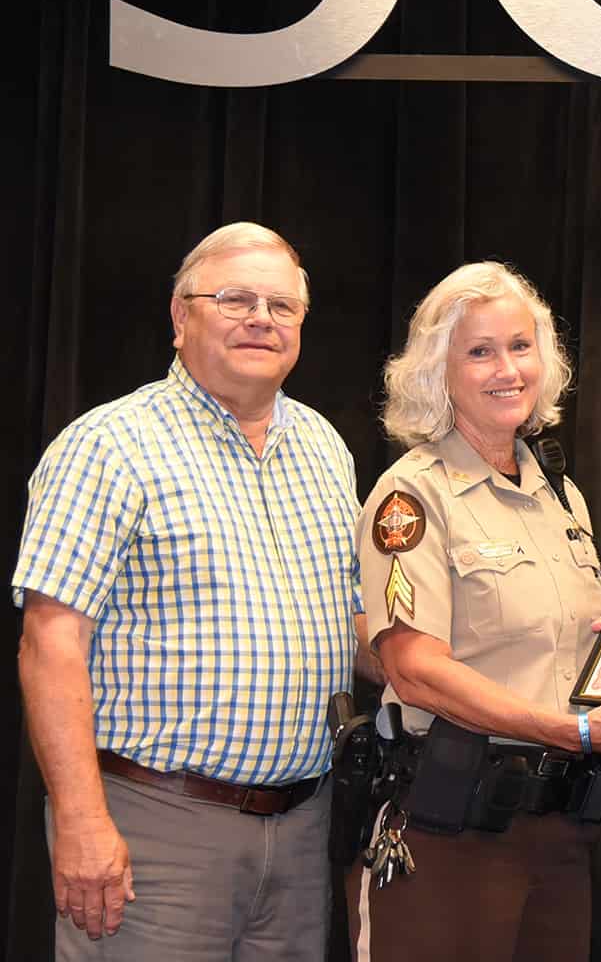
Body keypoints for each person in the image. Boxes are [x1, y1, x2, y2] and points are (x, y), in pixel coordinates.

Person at [13, 221, 361, 960]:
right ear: (180, 318)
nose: (261, 319)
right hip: (154, 831)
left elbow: (353, 624)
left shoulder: (326, 447)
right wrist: (80, 820)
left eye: (282, 306)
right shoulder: (108, 446)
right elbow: (50, 643)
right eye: (235, 299)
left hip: (304, 830)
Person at [350, 260, 601, 962]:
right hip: (451, 835)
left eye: (520, 345)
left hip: (558, 832)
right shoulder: (412, 497)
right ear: (436, 372)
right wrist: (577, 730)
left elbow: (555, 641)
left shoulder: (559, 493)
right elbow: (415, 673)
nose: (507, 368)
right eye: (479, 352)